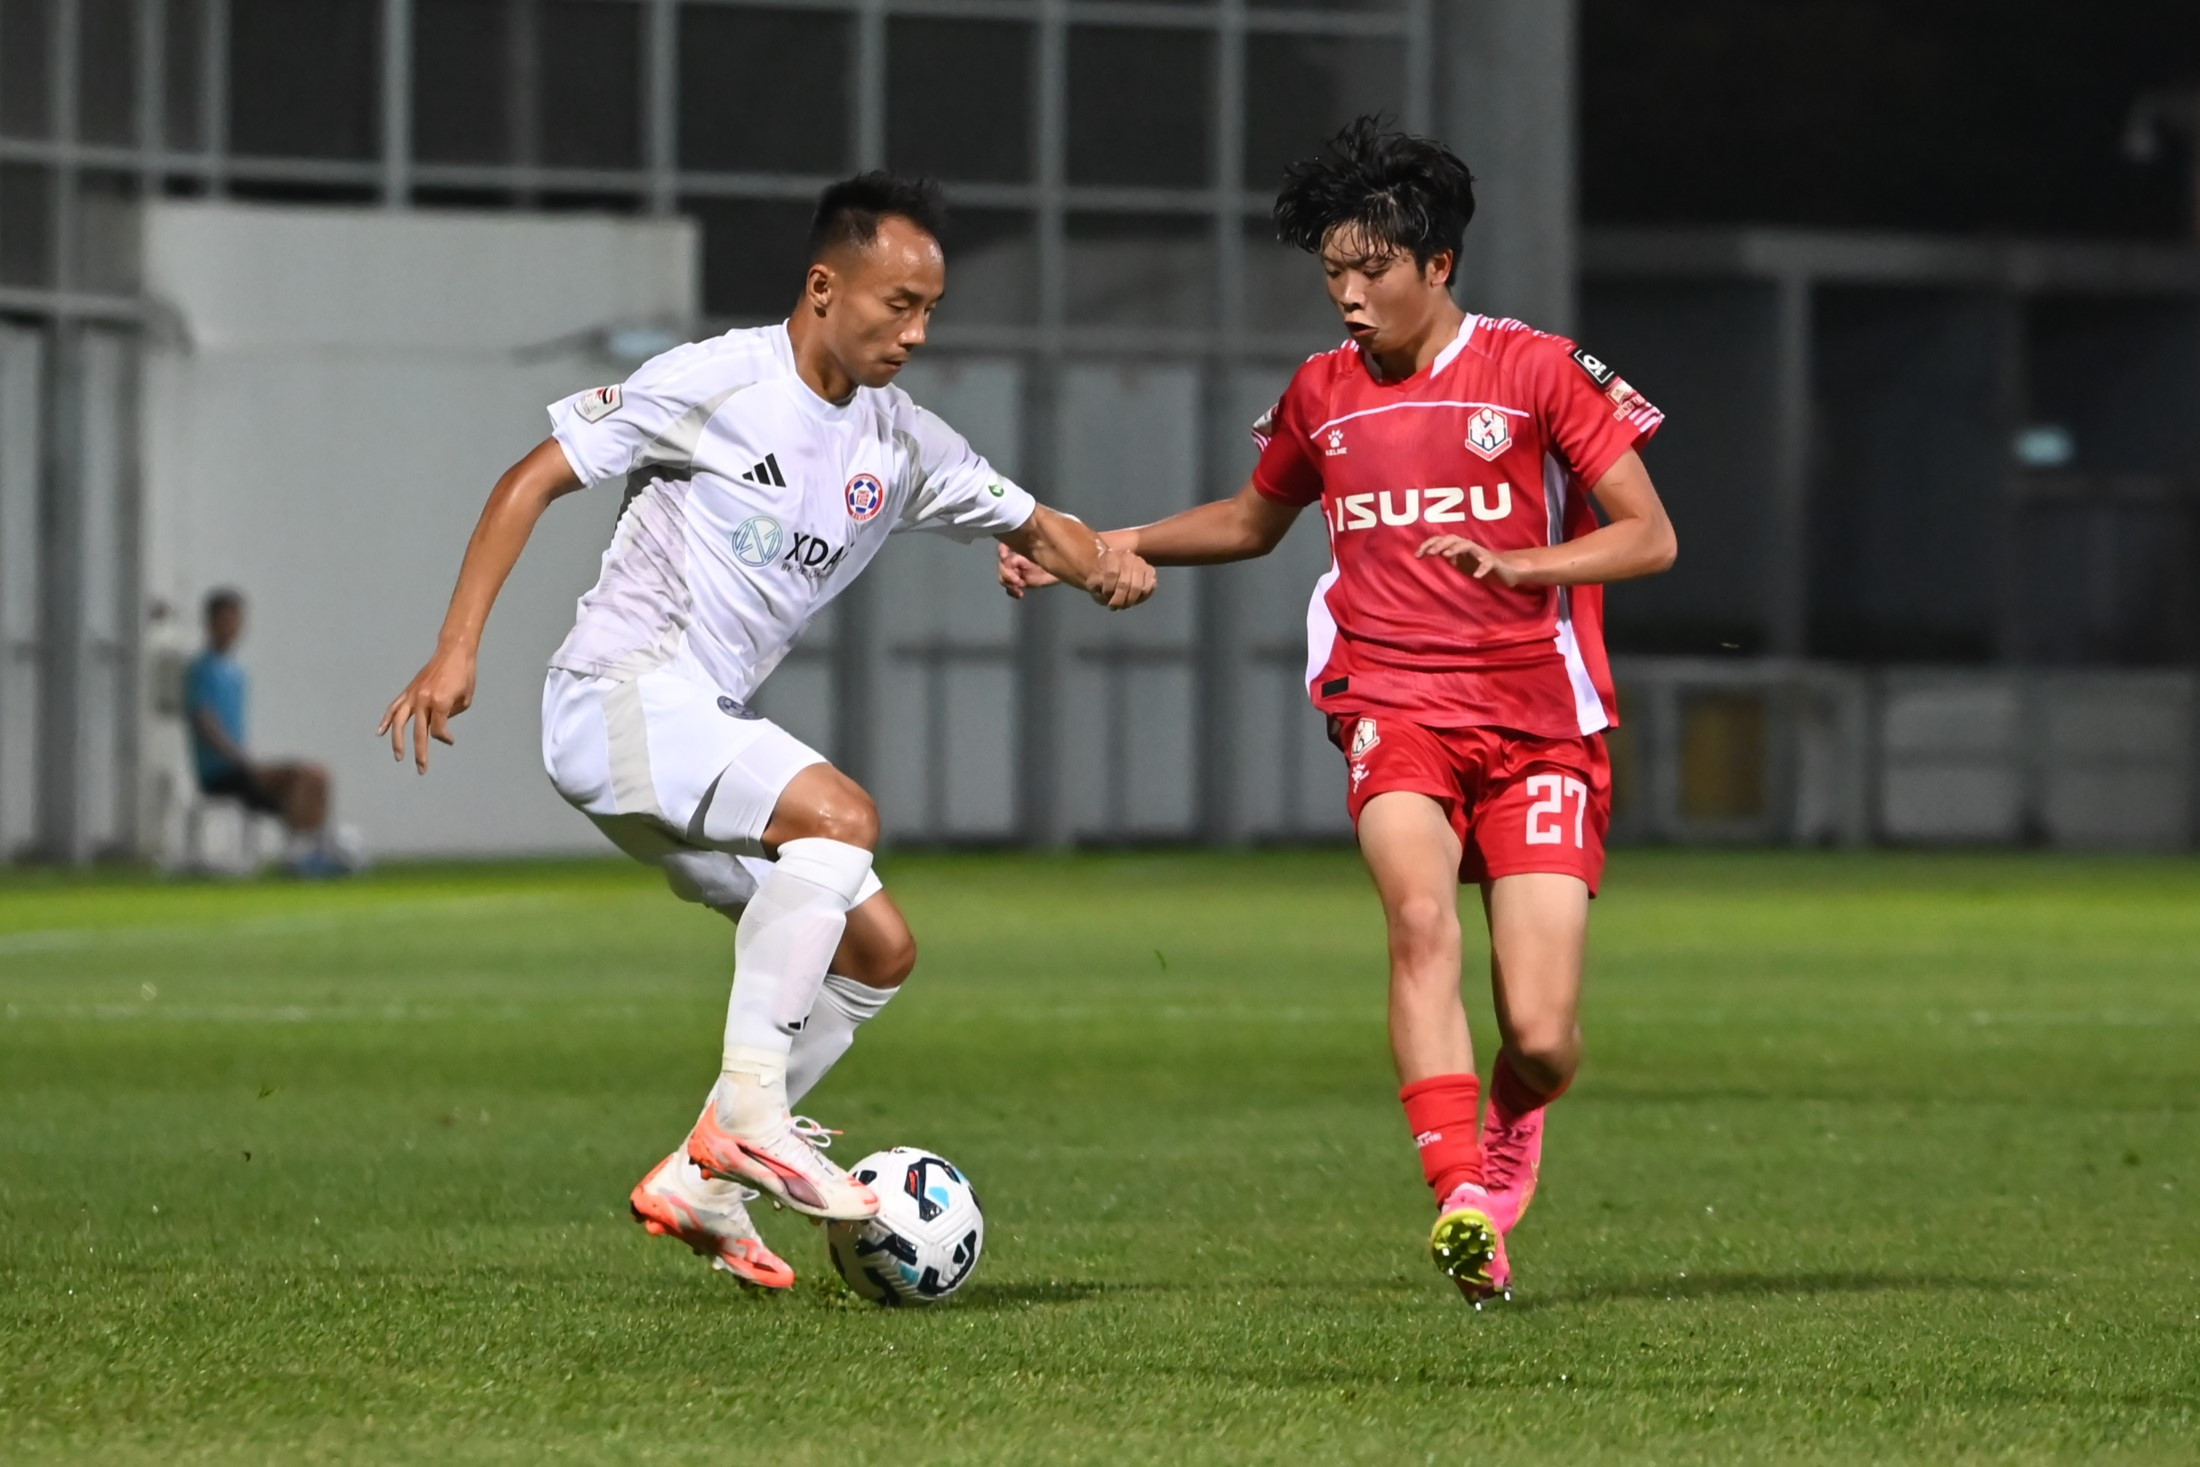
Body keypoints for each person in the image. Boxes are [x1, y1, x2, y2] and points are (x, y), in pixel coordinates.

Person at [377, 172, 1157, 1291]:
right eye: (897, 304)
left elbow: (1041, 523)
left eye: (930, 311)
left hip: (695, 728)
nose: (916, 333)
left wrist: (1108, 564)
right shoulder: (718, 381)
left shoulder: (903, 443)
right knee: (842, 817)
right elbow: (530, 478)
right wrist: (456, 651)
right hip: (616, 695)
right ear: (824, 287)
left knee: (876, 949)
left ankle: (702, 1182)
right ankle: (749, 1115)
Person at [998, 118, 1677, 1304]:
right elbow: (1250, 522)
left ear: (1438, 266)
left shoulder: (1535, 372)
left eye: (1371, 272)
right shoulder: (1321, 391)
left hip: (1540, 725)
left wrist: (1525, 567)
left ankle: (1513, 1121)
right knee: (1417, 920)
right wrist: (1092, 545)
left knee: (1542, 1035)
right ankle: (1461, 1200)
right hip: (1391, 704)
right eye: (1332, 275)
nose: (1349, 297)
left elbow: (1649, 536)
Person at [184, 588, 355, 877]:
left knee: (318, 775)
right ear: (211, 622)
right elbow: (205, 722)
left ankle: (312, 847)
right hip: (220, 771)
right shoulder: (202, 669)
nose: (233, 626)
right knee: (298, 779)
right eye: (227, 619)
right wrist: (240, 759)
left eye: (237, 620)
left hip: (241, 764)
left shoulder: (236, 671)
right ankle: (299, 853)